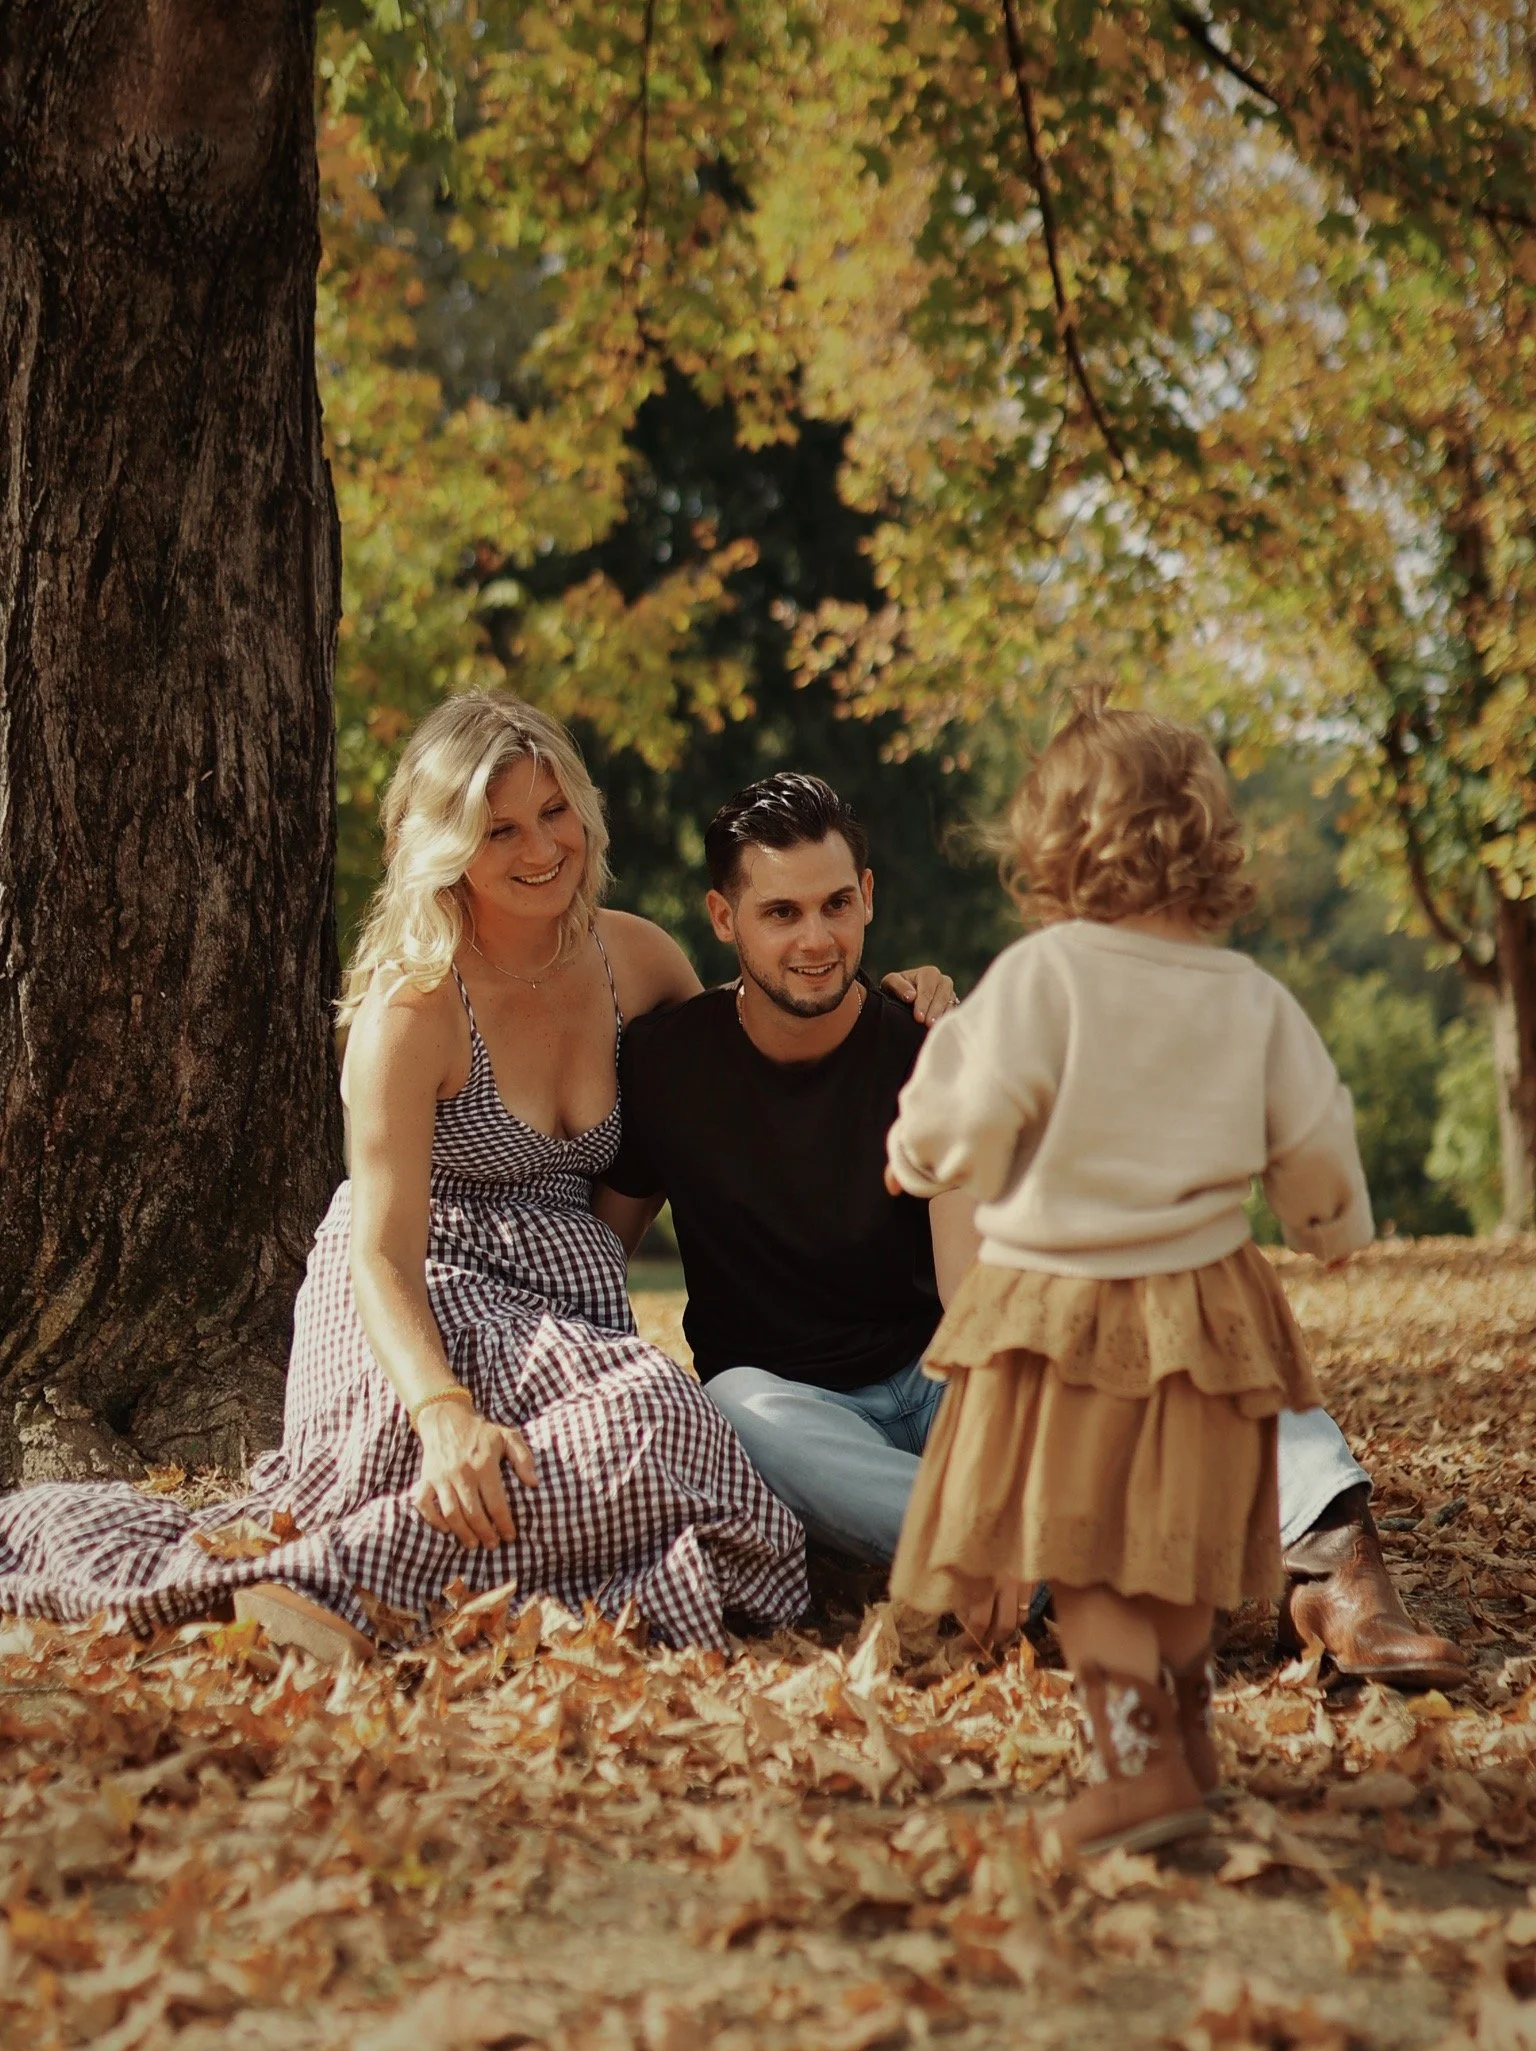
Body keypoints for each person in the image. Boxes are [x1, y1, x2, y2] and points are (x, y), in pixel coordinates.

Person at [599, 770, 1467, 1690]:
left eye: (836, 904)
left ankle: (1338, 1577)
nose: (816, 939)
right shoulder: (667, 1067)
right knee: (736, 1406)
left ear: (868, 899)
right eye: (781, 913)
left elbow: (974, 1290)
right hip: (806, 1417)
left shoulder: (936, 1047)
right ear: (723, 918)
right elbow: (598, 1248)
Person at [0, 693, 811, 1657]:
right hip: (420, 1314)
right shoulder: (415, 1005)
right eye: (498, 827)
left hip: (561, 1325)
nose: (541, 846)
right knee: (650, 1419)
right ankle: (337, 1584)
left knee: (672, 1438)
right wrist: (442, 1414)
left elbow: (756, 1045)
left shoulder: (635, 960)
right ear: (448, 845)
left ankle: (318, 1588)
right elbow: (381, 1258)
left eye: (553, 812)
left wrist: (889, 1001)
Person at [883, 701, 1381, 1853]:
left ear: (1054, 843)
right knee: (1171, 1534)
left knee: (1084, 1549)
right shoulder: (1248, 994)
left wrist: (917, 1157)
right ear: (1205, 839)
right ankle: (1188, 1739)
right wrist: (1329, 1226)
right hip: (1208, 1303)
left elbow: (972, 1106)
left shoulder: (1043, 976)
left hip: (1065, 1307)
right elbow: (1311, 1134)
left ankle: (1134, 1762)